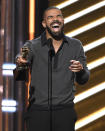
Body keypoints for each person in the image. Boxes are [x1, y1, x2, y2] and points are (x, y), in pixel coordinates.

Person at [14, 6, 90, 131]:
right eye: (50, 17)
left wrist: (81, 70)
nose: (56, 19)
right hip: (38, 112)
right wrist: (21, 64)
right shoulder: (32, 46)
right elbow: (19, 71)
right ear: (44, 23)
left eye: (59, 16)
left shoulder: (75, 45)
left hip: (64, 112)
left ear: (63, 21)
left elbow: (84, 79)